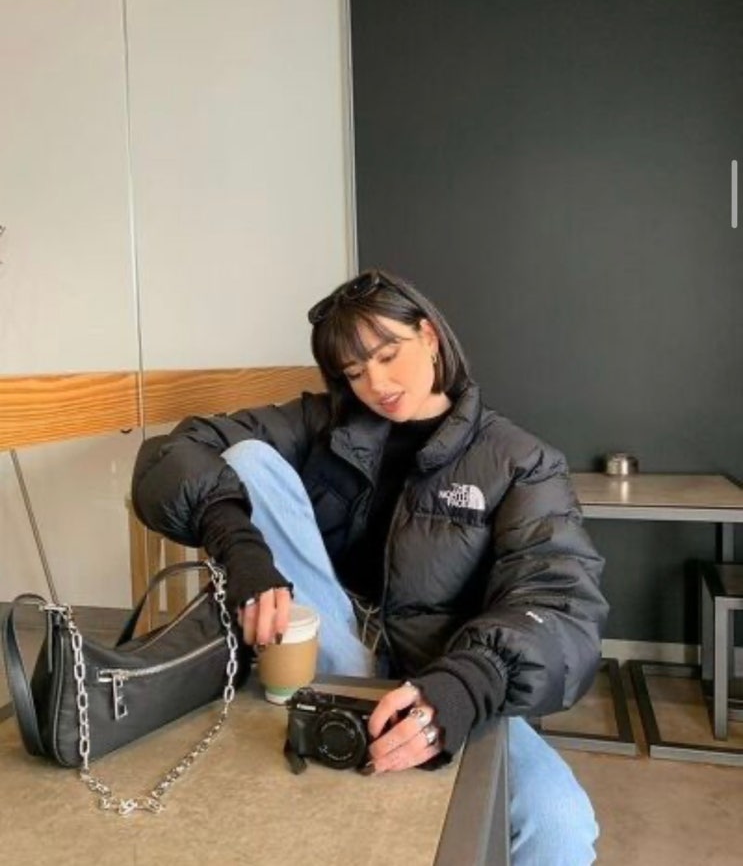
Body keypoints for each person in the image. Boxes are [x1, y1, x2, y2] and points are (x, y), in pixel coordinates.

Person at [132, 269, 608, 864]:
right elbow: (169, 455)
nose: (376, 384)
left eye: (387, 355)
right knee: (247, 458)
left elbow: (559, 597)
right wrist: (240, 545)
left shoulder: (520, 460)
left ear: (429, 336)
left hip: (442, 678)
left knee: (559, 823)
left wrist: (469, 682)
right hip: (325, 651)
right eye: (354, 372)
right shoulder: (320, 425)